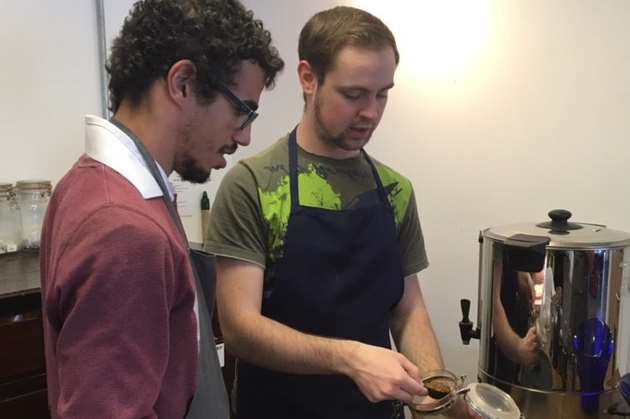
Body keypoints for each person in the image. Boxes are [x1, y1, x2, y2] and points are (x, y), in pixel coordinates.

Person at [39, 1, 283, 418]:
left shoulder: (86, 185)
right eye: (242, 111)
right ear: (183, 83)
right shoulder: (122, 228)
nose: (243, 137)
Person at [205, 6, 447, 419]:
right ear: (308, 78)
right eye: (354, 94)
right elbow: (240, 329)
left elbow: (407, 310)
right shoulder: (254, 184)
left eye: (382, 93)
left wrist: (436, 390)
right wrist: (349, 358)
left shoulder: (394, 192)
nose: (371, 111)